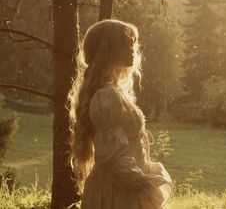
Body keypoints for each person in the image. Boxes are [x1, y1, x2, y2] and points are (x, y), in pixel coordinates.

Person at [67, 19, 173, 209]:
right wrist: (141, 179)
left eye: (132, 44)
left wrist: (143, 171)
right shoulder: (105, 96)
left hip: (123, 185)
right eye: (123, 46)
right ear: (105, 52)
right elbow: (111, 157)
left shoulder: (113, 91)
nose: (131, 50)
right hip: (117, 191)